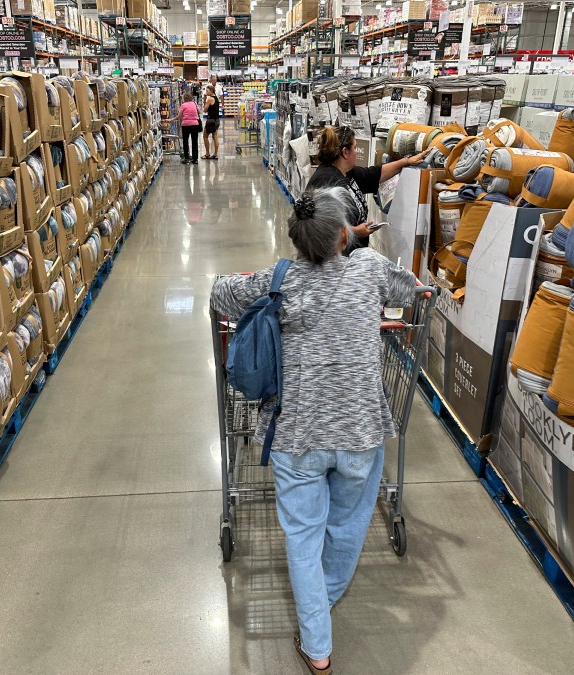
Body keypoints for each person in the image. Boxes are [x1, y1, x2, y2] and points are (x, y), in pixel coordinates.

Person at [210, 187, 419, 675]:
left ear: (297, 239)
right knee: (346, 525)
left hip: (296, 433)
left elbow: (222, 295)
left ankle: (318, 645)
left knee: (303, 537)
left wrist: (233, 279)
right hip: (360, 429)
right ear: (345, 234)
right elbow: (408, 291)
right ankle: (319, 607)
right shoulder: (368, 270)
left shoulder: (279, 279)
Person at [306, 125, 429, 252]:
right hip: (334, 263)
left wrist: (406, 162)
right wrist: (355, 232)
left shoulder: (346, 172)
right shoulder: (326, 182)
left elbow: (375, 174)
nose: (356, 151)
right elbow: (321, 228)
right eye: (355, 147)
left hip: (351, 257)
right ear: (345, 152)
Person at [167, 92, 200, 164]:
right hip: (195, 124)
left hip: (186, 125)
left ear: (184, 98)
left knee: (185, 141)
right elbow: (199, 111)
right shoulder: (194, 104)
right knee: (194, 142)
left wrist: (171, 120)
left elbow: (179, 116)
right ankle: (195, 159)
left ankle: (186, 158)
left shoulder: (183, 105)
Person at [202, 85, 221, 160]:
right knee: (215, 137)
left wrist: (206, 102)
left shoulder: (210, 99)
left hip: (211, 120)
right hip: (216, 119)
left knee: (205, 136)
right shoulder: (216, 98)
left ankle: (207, 154)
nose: (206, 92)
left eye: (207, 91)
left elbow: (205, 110)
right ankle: (215, 154)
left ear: (211, 91)